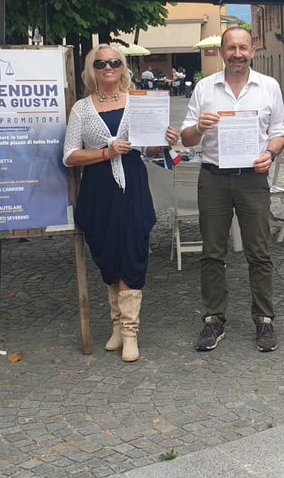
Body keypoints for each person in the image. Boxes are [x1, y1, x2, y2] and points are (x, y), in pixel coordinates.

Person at [63, 45, 178, 363]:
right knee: (107, 254)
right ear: (91, 69)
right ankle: (116, 327)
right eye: (101, 63)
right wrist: (105, 153)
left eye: (114, 62)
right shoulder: (82, 109)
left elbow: (150, 151)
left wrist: (163, 141)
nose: (108, 67)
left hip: (132, 186)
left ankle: (130, 332)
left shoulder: (139, 100)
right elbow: (70, 155)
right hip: (99, 189)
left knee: (132, 250)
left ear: (123, 66)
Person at [180, 27, 284, 352]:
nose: (237, 53)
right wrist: (199, 127)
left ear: (252, 50)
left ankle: (264, 320)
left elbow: (279, 131)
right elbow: (186, 138)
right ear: (222, 51)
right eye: (231, 48)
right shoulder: (204, 89)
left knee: (259, 251)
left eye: (243, 47)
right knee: (212, 252)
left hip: (252, 178)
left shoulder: (268, 87)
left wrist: (270, 153)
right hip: (213, 176)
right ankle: (214, 319)